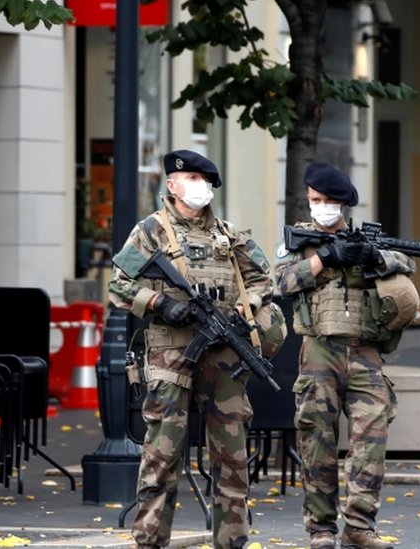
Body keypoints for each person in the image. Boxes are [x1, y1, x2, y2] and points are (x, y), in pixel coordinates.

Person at [109, 150, 276, 549]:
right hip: (171, 354)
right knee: (163, 453)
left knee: (232, 454)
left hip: (223, 353)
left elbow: (264, 281)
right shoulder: (150, 231)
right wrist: (161, 304)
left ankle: (232, 539)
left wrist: (244, 306)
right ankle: (149, 539)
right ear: (172, 184)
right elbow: (119, 285)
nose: (199, 186)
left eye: (205, 179)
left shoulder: (230, 235)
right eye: (192, 178)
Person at [274, 162, 418, 549]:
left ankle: (359, 525)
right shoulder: (298, 242)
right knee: (316, 440)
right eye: (315, 199)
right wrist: (325, 258)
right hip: (320, 349)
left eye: (328, 201)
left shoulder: (365, 239)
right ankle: (320, 530)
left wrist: (375, 258)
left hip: (366, 351)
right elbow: (281, 282)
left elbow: (409, 261)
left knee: (372, 436)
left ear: (343, 204)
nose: (321, 206)